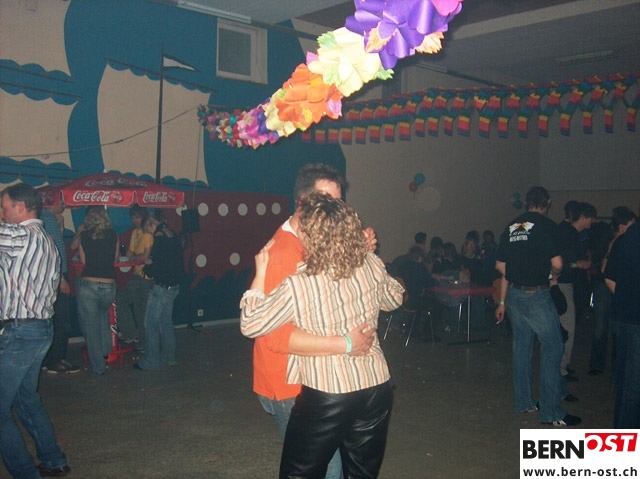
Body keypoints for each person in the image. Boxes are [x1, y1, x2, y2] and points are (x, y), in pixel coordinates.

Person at [241, 193, 404, 478]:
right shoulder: (369, 264)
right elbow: (394, 299)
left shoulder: (301, 282)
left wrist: (260, 274)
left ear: (312, 237)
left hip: (328, 393)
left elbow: (251, 324)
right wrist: (368, 258)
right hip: (376, 389)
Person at [0, 183, 71, 478]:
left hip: (22, 332)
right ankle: (53, 459)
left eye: (4, 208)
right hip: (40, 329)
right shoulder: (47, 240)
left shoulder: (21, 236)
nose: (2, 214)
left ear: (21, 207)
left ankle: (25, 473)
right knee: (25, 398)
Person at [495, 186, 581, 427]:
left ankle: (524, 402)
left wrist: (515, 278)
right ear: (548, 202)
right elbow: (558, 263)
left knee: (522, 348)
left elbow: (500, 266)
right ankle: (552, 412)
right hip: (536, 295)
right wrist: (551, 273)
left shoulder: (512, 226)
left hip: (514, 295)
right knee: (554, 346)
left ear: (526, 202)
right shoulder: (547, 226)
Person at [133, 211, 184, 370]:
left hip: (161, 288)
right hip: (173, 286)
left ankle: (151, 361)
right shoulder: (172, 234)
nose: (148, 233)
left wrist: (148, 264)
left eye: (147, 230)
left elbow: (155, 265)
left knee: (150, 323)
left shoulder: (159, 238)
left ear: (151, 224)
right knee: (165, 322)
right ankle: (169, 358)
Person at [588, 207, 635, 376]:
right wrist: (611, 247)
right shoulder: (607, 238)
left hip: (621, 286)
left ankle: (618, 366)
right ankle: (597, 364)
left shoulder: (631, 241)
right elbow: (602, 269)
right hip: (604, 286)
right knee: (600, 327)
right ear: (621, 226)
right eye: (630, 225)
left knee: (619, 328)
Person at [557, 201, 597, 383]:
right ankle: (561, 368)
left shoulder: (574, 234)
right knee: (567, 327)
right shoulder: (567, 233)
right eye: (591, 218)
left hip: (569, 284)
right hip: (563, 284)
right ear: (583, 216)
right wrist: (577, 264)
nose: (592, 222)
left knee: (568, 326)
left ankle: (563, 365)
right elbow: (561, 262)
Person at [77, 206, 119, 375]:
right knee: (103, 317)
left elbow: (83, 261)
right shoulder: (114, 235)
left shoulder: (84, 236)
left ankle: (98, 367)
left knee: (92, 326)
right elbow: (115, 258)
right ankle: (105, 351)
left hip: (89, 285)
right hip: (109, 285)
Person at [40, 201, 81, 374]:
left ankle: (48, 359)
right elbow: (54, 250)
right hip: (57, 275)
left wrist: (61, 225)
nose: (64, 205)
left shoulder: (46, 217)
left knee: (52, 319)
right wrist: (62, 277)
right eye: (62, 202)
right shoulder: (48, 218)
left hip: (49, 276)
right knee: (62, 320)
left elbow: (54, 243)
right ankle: (56, 361)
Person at [608, 216, 640, 428]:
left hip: (624, 317)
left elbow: (609, 277)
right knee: (633, 386)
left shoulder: (627, 236)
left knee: (626, 383)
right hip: (634, 320)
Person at [116, 205, 154, 351]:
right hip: (136, 275)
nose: (134, 220)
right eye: (132, 217)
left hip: (146, 277)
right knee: (120, 299)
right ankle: (132, 334)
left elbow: (144, 257)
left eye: (137, 217)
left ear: (143, 217)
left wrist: (132, 258)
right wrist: (126, 258)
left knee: (142, 311)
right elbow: (130, 252)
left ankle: (143, 342)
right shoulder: (135, 232)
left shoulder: (147, 234)